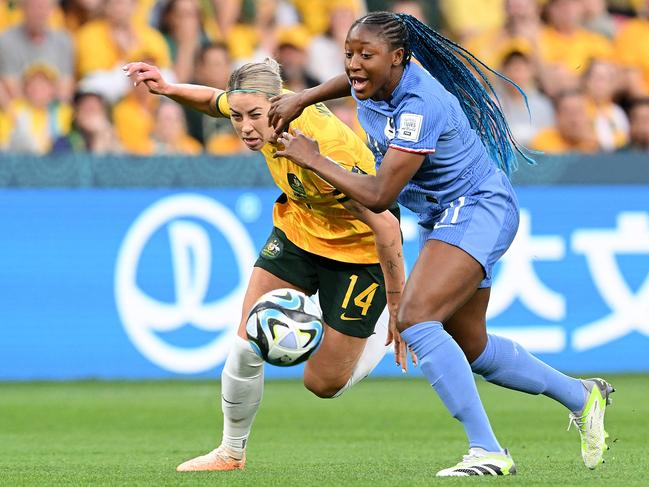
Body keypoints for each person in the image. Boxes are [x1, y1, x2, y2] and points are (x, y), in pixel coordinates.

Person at [268, 11, 614, 476]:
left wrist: (313, 158)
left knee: (415, 317)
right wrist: (303, 98)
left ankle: (487, 450)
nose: (353, 64)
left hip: (477, 208)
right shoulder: (375, 80)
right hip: (444, 214)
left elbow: (380, 195)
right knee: (473, 348)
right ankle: (582, 395)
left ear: (399, 59)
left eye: (365, 55)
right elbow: (346, 82)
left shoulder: (418, 104)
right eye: (349, 53)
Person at [123, 57, 409, 472]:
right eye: (237, 117)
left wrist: (399, 304)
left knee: (322, 384)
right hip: (299, 230)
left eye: (254, 116)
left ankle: (381, 320)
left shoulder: (323, 147)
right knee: (244, 342)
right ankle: (230, 453)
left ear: (280, 106)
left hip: (359, 252)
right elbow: (213, 102)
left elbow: (386, 228)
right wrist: (168, 88)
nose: (244, 127)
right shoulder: (259, 107)